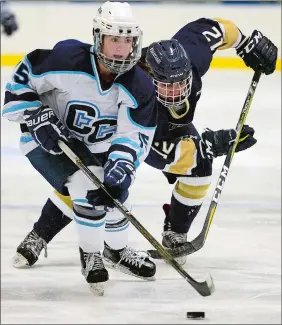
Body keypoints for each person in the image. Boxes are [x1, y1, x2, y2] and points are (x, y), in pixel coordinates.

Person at [9, 16, 277, 270]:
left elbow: (216, 29)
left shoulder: (188, 59)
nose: (174, 92)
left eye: (179, 83)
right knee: (93, 182)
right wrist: (210, 145)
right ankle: (40, 234)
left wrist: (246, 41)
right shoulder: (140, 95)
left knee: (199, 171)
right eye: (165, 86)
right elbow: (153, 150)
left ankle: (175, 233)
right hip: (123, 128)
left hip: (170, 128)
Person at [2, 1, 158, 295]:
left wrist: (121, 172)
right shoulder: (67, 58)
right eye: (114, 39)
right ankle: (91, 254)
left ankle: (116, 251)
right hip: (46, 139)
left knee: (111, 195)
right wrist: (35, 116)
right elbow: (20, 83)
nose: (121, 49)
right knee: (86, 184)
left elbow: (131, 137)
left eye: (128, 40)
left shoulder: (139, 85)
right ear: (98, 37)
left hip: (94, 148)